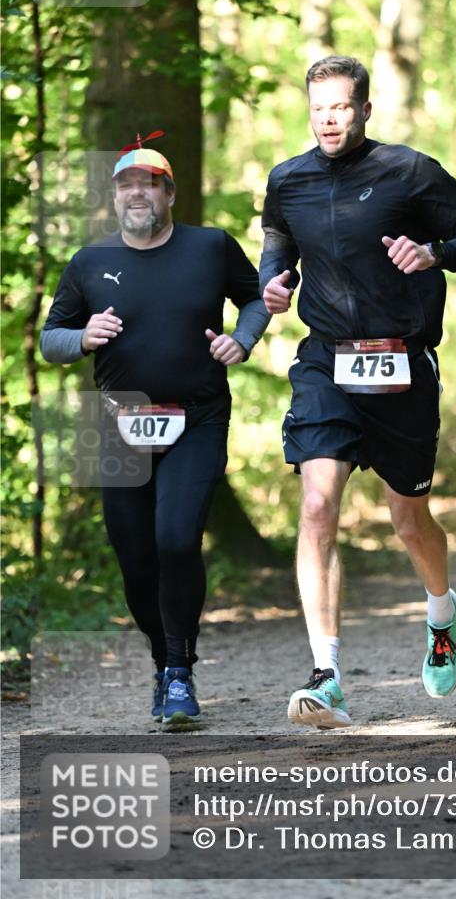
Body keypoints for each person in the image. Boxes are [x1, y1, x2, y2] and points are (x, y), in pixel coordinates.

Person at [260, 55, 456, 728]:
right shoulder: (288, 179)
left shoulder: (409, 171)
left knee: (407, 522)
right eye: (317, 108)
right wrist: (274, 282)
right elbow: (277, 242)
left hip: (401, 365)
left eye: (340, 106)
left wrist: (434, 254)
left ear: (365, 109)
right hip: (325, 364)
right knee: (315, 507)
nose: (328, 118)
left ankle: (440, 614)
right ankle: (325, 674)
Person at [40, 134, 270, 726]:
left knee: (174, 538)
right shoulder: (90, 263)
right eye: (125, 185)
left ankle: (178, 671)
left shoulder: (210, 247)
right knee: (136, 556)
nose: (136, 193)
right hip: (117, 424)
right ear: (114, 199)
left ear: (169, 193)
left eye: (148, 183)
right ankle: (162, 657)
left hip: (196, 417)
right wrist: (82, 338)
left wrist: (240, 341)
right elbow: (51, 338)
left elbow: (255, 300)